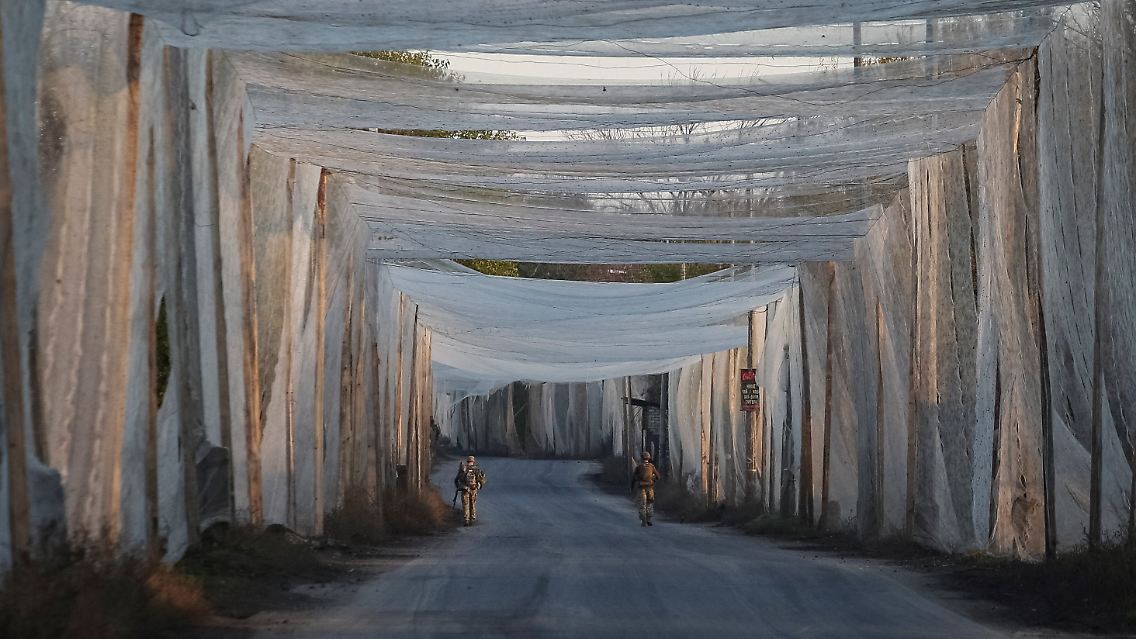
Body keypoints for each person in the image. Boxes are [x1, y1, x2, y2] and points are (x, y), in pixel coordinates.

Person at [630, 451, 660, 527]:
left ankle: (643, 521)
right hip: (650, 488)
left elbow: (633, 478)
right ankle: (649, 519)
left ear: (642, 458)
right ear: (649, 458)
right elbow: (658, 477)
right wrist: (653, 478)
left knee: (642, 505)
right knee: (649, 504)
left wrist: (632, 487)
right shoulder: (652, 466)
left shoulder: (639, 467)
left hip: (641, 488)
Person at [454, 455, 485, 526]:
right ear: (473, 461)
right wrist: (479, 486)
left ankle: (466, 520)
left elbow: (456, 479)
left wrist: (458, 487)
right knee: (472, 503)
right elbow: (481, 480)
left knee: (465, 504)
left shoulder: (463, 469)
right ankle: (472, 518)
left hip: (465, 489)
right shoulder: (476, 469)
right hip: (473, 489)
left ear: (467, 461)